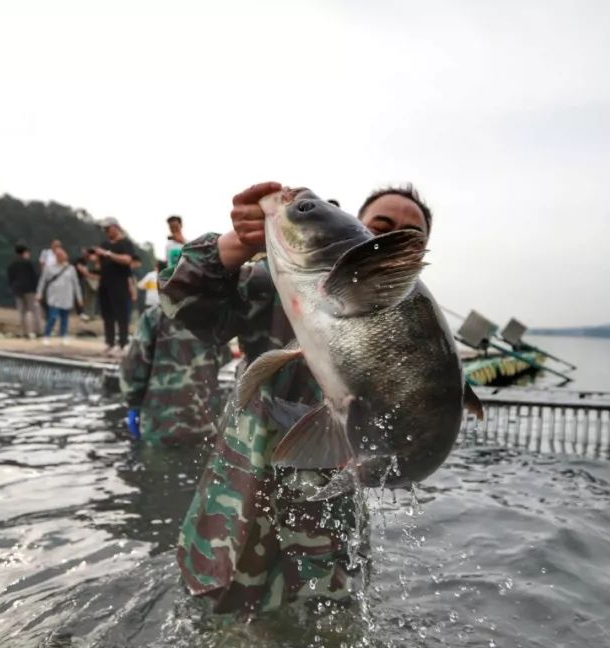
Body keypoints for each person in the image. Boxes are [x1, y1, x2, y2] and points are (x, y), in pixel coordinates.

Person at [160, 181, 433, 616]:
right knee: (221, 627)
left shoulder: (418, 331)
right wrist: (239, 244)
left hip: (331, 523)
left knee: (331, 626)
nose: (389, 239)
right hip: (242, 505)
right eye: (379, 227)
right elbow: (181, 303)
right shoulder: (279, 283)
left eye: (408, 236)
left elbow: (417, 431)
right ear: (356, 227)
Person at [120, 261, 229, 446]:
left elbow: (134, 365)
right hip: (205, 425)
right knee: (201, 462)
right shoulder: (215, 317)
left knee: (154, 464)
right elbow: (224, 358)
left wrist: (134, 404)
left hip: (159, 426)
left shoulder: (155, 316)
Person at [96, 217, 138, 356]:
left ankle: (123, 343)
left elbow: (127, 260)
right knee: (107, 315)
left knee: (121, 315)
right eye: (104, 229)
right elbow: (99, 264)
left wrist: (108, 254)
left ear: (115, 227)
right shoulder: (104, 244)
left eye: (108, 228)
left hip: (120, 283)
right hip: (104, 283)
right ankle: (110, 343)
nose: (106, 231)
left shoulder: (125, 243)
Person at [36, 247, 82, 345]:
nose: (60, 257)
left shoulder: (71, 269)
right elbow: (42, 281)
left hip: (66, 297)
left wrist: (79, 297)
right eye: (58, 255)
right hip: (54, 297)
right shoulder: (49, 268)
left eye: (62, 255)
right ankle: (46, 335)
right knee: (52, 317)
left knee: (64, 318)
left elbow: (76, 284)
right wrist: (39, 293)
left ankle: (64, 335)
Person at [7, 244, 42, 338]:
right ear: (24, 253)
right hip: (30, 289)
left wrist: (12, 287)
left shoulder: (12, 263)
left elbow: (10, 277)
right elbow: (34, 276)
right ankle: (38, 331)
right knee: (34, 310)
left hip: (17, 289)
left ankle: (24, 332)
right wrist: (37, 289)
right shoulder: (28, 263)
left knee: (22, 312)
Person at [75, 248, 101, 320]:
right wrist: (90, 276)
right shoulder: (84, 261)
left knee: (93, 298)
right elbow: (83, 270)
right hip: (87, 281)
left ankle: (92, 314)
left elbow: (100, 272)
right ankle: (87, 314)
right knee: (87, 298)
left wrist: (95, 277)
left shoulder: (98, 262)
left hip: (95, 282)